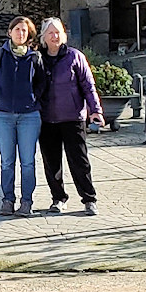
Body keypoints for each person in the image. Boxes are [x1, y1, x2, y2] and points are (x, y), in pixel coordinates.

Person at [38, 16, 105, 216]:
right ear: (43, 36)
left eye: (57, 32)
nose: (54, 36)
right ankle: (58, 198)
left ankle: (89, 199)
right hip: (46, 119)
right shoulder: (37, 58)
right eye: (50, 32)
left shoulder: (75, 57)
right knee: (52, 162)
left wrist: (96, 111)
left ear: (64, 35)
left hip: (72, 117)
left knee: (79, 161)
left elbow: (88, 86)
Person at [0, 16, 44, 217]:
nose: (20, 33)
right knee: (7, 161)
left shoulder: (35, 57)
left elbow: (42, 82)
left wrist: (33, 97)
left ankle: (26, 201)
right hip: (3, 115)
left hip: (29, 115)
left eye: (24, 30)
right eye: (17, 29)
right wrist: (0, 96)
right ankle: (8, 200)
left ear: (29, 35)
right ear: (10, 32)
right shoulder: (0, 54)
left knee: (27, 161)